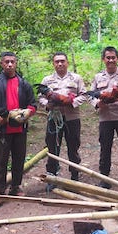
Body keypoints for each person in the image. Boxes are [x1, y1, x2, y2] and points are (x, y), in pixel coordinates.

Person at [0, 52, 37, 208]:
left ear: (16, 63)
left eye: (12, 61)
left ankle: (16, 187)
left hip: (20, 128)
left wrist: (27, 113)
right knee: (1, 160)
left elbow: (33, 104)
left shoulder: (24, 84)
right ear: (1, 64)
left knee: (19, 159)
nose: (10, 64)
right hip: (1, 129)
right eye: (7, 62)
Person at [39, 52, 88, 187]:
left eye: (62, 61)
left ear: (67, 63)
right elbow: (40, 98)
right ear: (53, 64)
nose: (60, 64)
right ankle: (52, 176)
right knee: (53, 146)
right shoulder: (47, 80)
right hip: (54, 118)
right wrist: (47, 104)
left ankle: (74, 175)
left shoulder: (76, 78)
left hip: (72, 118)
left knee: (73, 146)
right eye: (57, 61)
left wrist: (71, 102)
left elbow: (84, 95)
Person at [90, 46, 118, 188]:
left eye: (113, 57)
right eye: (108, 57)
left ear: (117, 58)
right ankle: (105, 178)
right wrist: (98, 104)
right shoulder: (98, 77)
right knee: (105, 148)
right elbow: (90, 96)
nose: (111, 60)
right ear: (103, 59)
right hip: (105, 118)